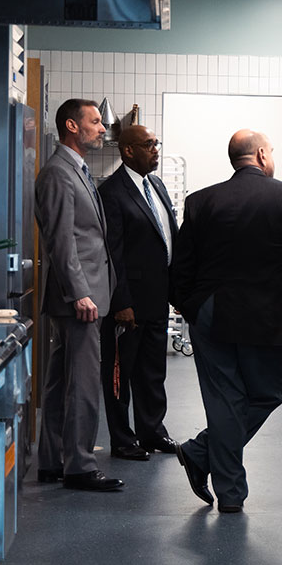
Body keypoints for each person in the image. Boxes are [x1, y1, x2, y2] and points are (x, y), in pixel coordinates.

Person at [170, 129, 282, 513]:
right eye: (271, 151)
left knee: (224, 400)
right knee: (270, 393)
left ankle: (204, 456)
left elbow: (180, 269)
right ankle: (228, 490)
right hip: (268, 319)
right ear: (259, 154)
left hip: (212, 314)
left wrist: (191, 307)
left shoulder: (201, 201)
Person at [34, 99, 123, 492]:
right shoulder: (58, 173)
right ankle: (81, 467)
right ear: (72, 126)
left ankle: (53, 460)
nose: (103, 129)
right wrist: (80, 293)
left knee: (60, 380)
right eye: (96, 122)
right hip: (79, 299)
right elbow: (61, 240)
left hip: (81, 294)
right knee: (84, 382)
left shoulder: (77, 170)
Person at [97, 125, 179, 462]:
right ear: (128, 150)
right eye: (149, 145)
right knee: (121, 372)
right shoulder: (112, 192)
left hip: (157, 298)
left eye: (156, 143)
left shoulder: (155, 185)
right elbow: (112, 253)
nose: (155, 150)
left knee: (152, 371)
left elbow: (166, 237)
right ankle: (122, 438)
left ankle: (152, 430)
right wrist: (121, 302)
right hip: (128, 304)